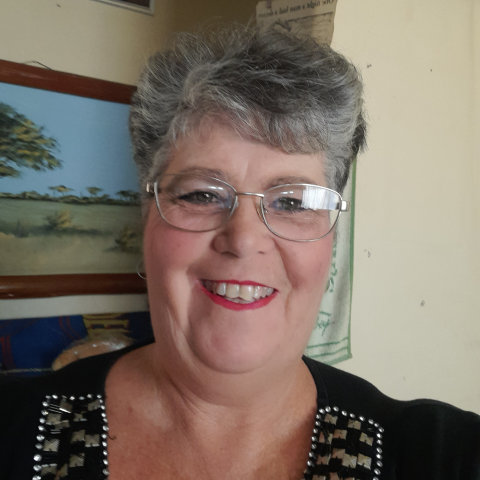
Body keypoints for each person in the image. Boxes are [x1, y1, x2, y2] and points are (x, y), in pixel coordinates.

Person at [1, 23, 479, 480]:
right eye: (201, 194)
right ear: (147, 215)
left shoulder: (445, 457)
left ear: (331, 240)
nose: (245, 238)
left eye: (292, 202)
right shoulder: (12, 425)